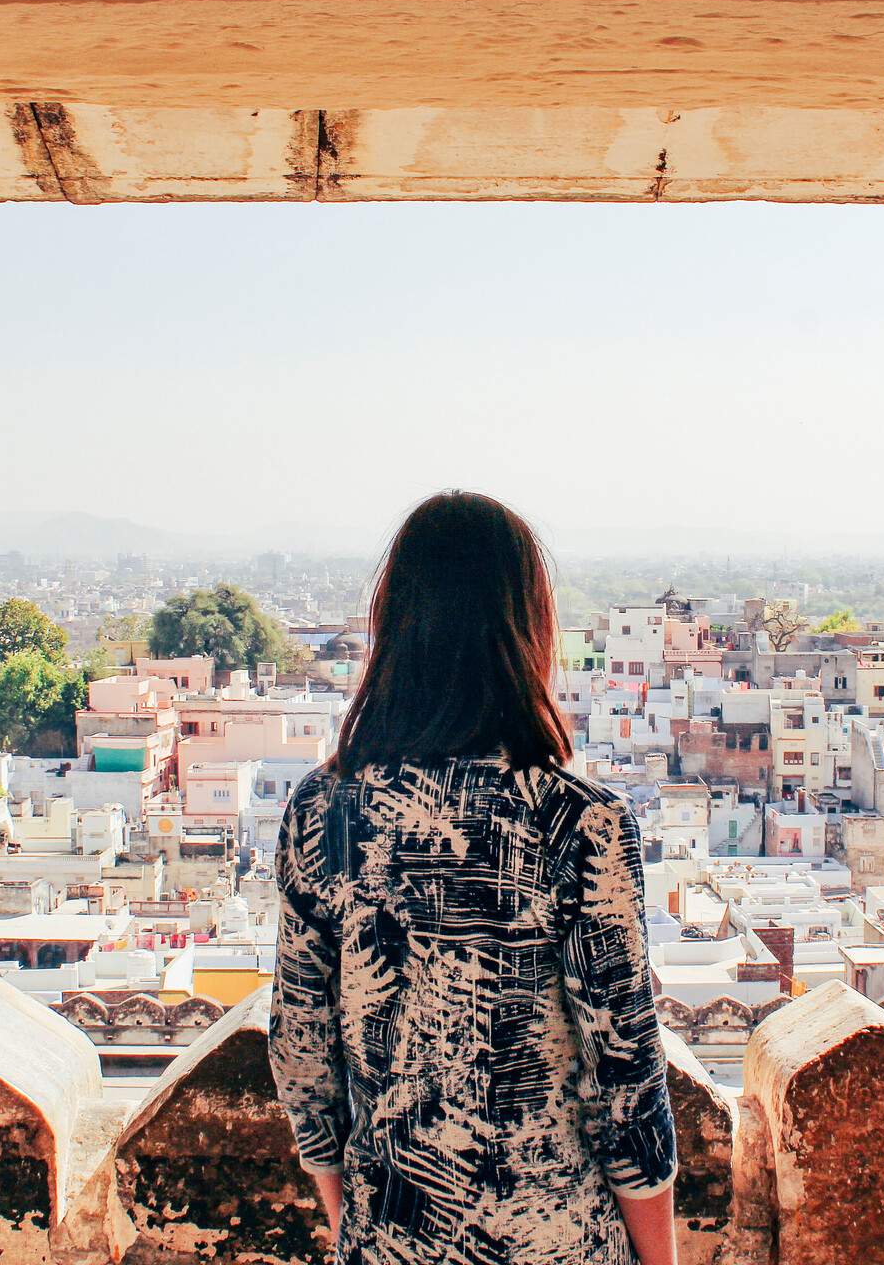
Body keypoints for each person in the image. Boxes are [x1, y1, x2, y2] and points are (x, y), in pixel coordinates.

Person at [269, 491, 679, 1265]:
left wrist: (353, 1220)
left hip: (391, 1236)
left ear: (394, 624)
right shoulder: (579, 821)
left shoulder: (323, 811)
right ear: (526, 626)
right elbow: (625, 1078)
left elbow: (300, 1051)